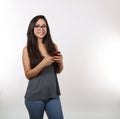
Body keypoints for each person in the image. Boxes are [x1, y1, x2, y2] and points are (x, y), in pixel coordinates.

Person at [22, 15, 64, 119]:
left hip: (53, 95)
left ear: (47, 29)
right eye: (37, 26)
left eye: (44, 26)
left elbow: (58, 71)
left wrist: (60, 62)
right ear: (32, 28)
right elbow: (28, 74)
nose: (41, 29)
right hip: (34, 97)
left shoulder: (53, 46)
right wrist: (42, 64)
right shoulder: (27, 49)